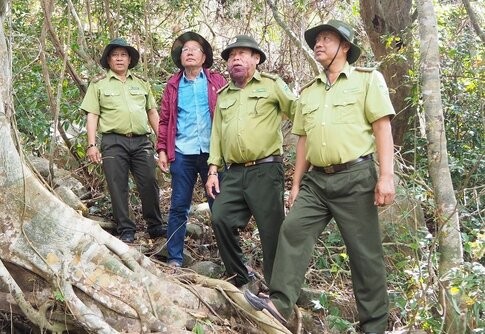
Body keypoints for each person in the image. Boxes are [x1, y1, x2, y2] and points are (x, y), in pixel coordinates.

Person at [244, 20, 395, 334]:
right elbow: (303, 140)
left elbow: (382, 127)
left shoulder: (367, 80)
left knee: (364, 255)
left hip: (355, 177)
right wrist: (296, 184)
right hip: (317, 182)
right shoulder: (309, 91)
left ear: (345, 46)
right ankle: (279, 305)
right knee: (293, 230)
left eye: (327, 38)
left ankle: (375, 326)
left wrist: (386, 177)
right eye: (317, 40)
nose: (319, 44)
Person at [205, 35, 297, 289]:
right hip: (233, 173)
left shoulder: (272, 85)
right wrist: (213, 169)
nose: (236, 58)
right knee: (220, 217)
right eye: (232, 55)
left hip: (266, 169)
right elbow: (217, 134)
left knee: (271, 232)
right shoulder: (224, 94)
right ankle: (241, 278)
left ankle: (279, 292)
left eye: (243, 54)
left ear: (256, 59)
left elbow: (299, 114)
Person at [81, 38, 165, 244]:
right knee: (117, 185)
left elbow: (152, 113)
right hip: (113, 141)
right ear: (108, 60)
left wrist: (163, 142)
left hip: (141, 141)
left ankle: (155, 226)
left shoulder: (141, 83)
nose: (119, 59)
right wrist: (92, 144)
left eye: (123, 55)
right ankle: (126, 228)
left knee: (149, 182)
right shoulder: (99, 84)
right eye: (115, 55)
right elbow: (92, 114)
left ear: (130, 59)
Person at [156, 32, 226, 268]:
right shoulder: (173, 85)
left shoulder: (217, 82)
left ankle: (229, 259)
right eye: (185, 49)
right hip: (182, 152)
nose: (189, 52)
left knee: (220, 206)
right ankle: (174, 257)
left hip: (213, 154)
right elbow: (164, 120)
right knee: (178, 205)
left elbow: (228, 115)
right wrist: (163, 150)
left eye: (194, 48)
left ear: (204, 56)